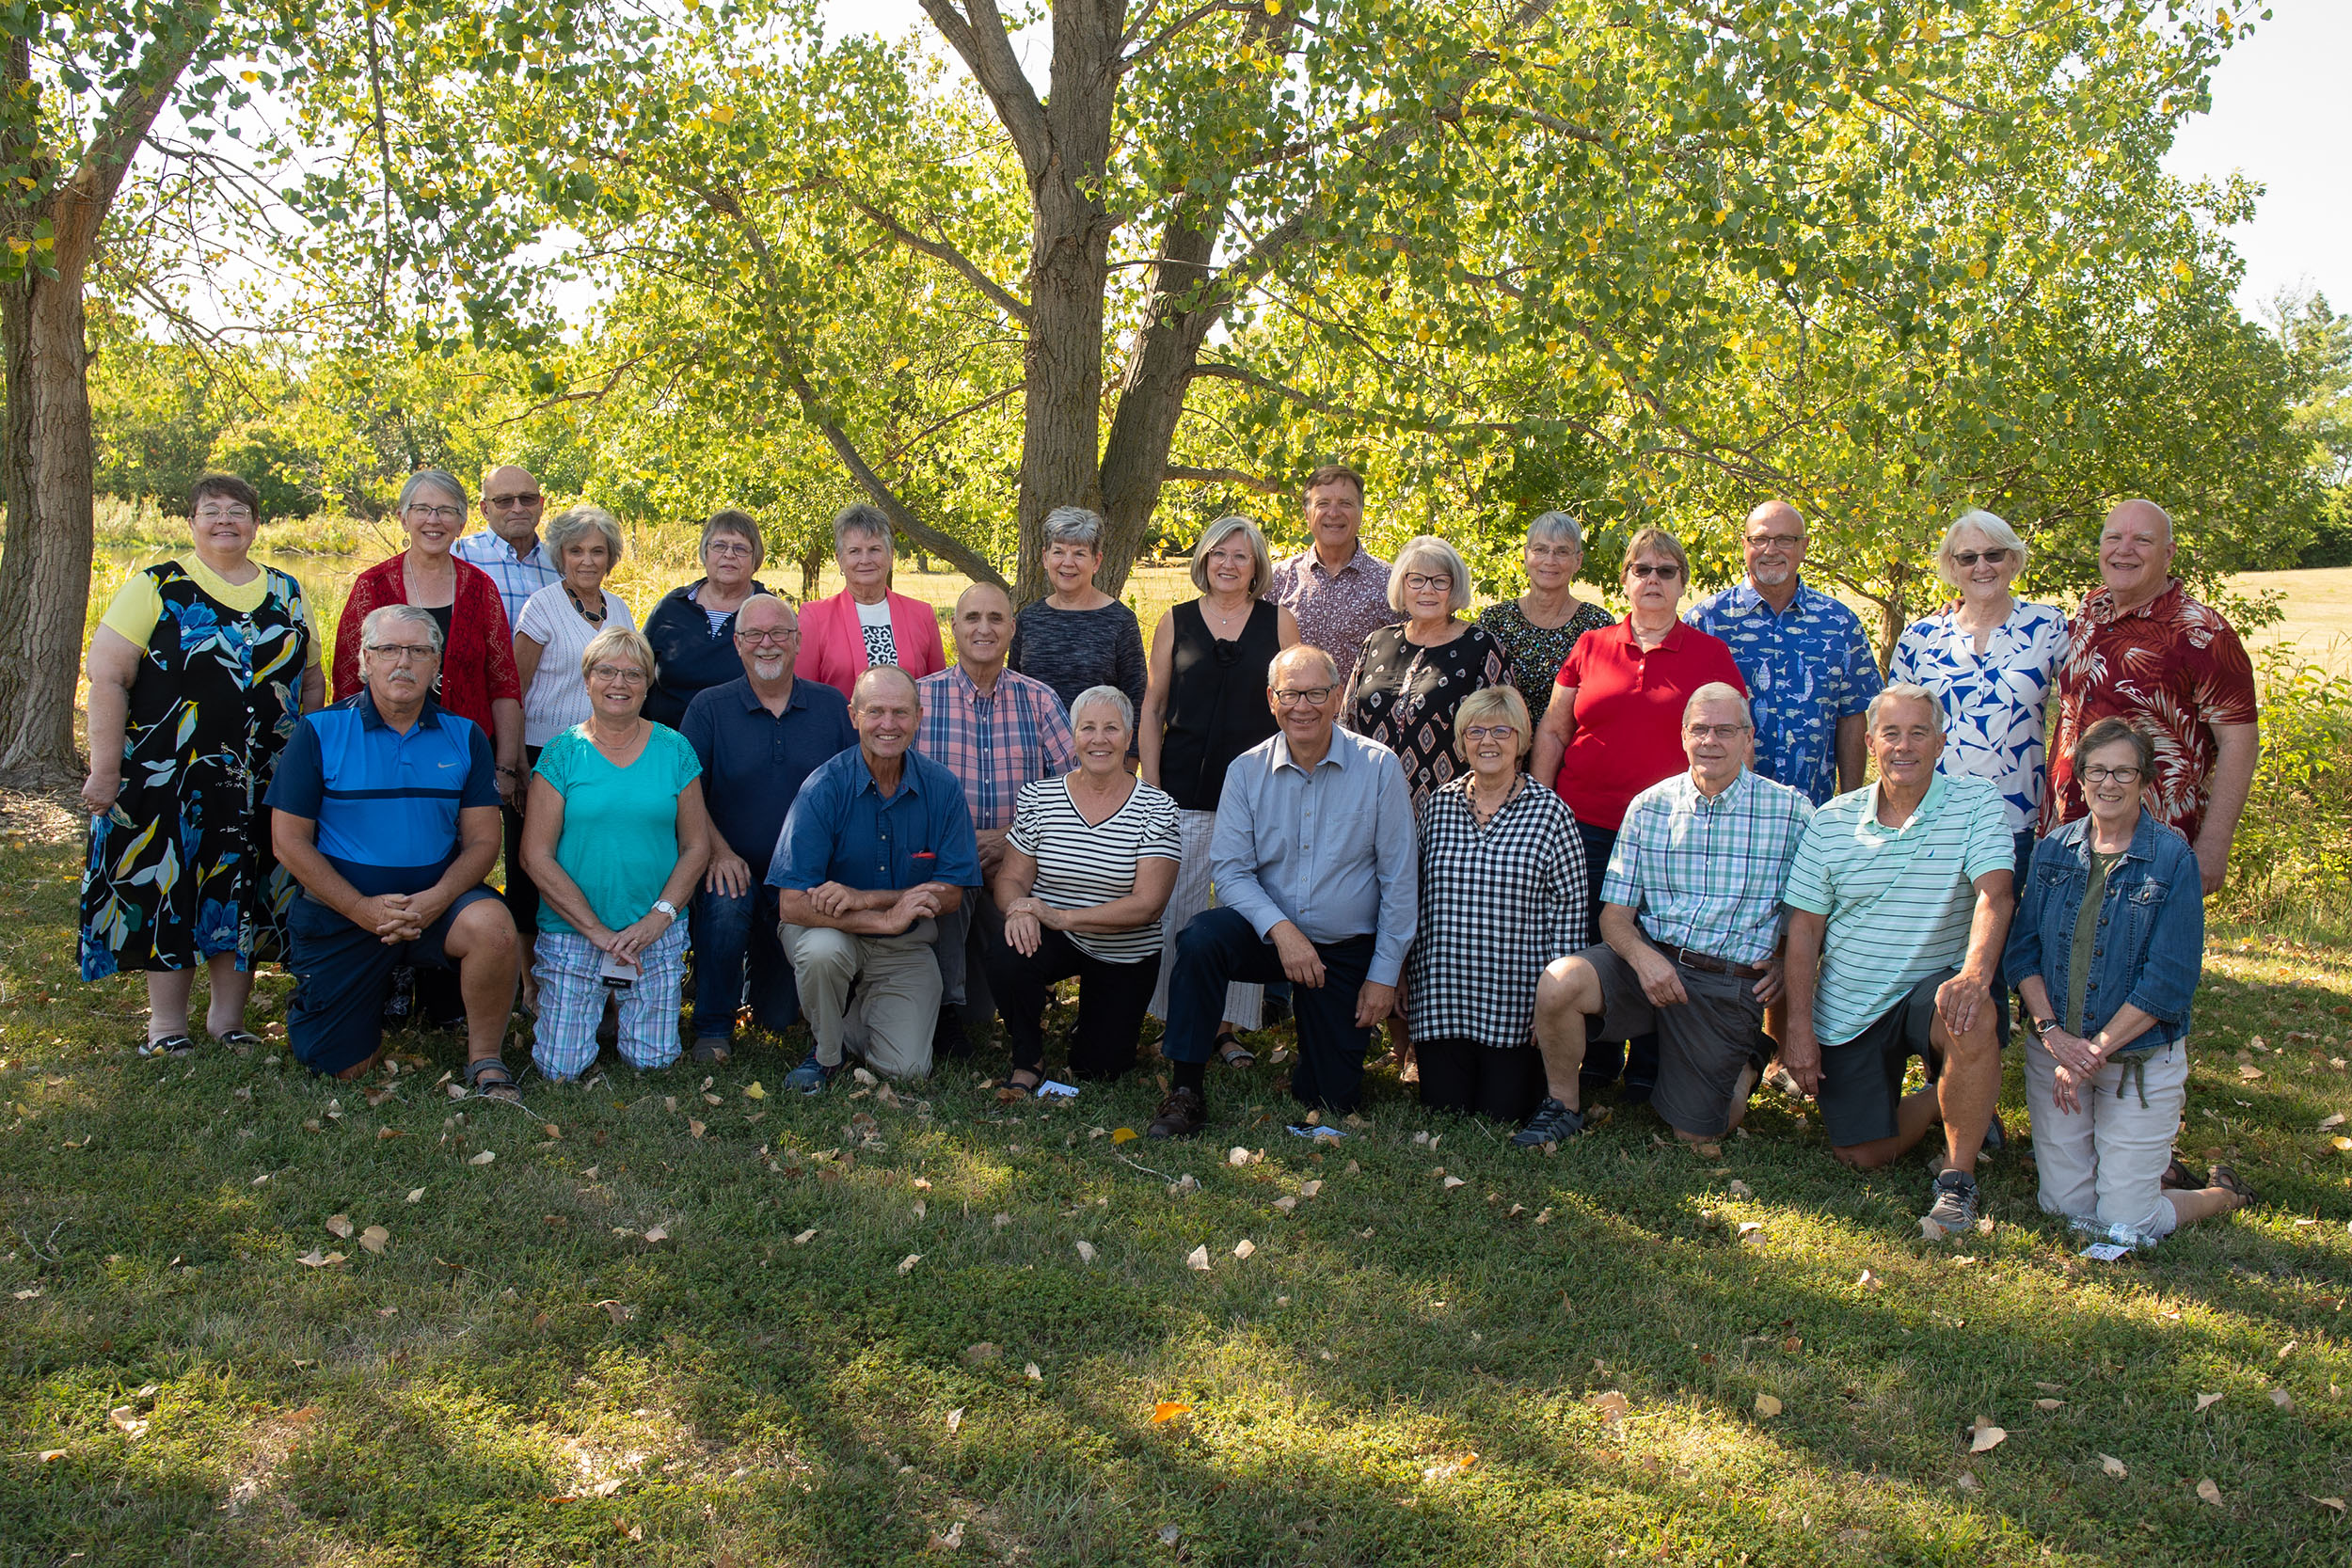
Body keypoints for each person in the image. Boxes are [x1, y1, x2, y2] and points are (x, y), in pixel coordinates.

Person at [80, 472, 325, 1053]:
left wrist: (306, 763)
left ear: (256, 522)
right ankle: (166, 1027)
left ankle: (227, 1020)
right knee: (173, 886)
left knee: (244, 887)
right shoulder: (155, 584)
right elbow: (109, 676)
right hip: (168, 774)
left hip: (263, 776)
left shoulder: (288, 589)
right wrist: (105, 768)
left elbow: (312, 680)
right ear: (190, 522)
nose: (225, 520)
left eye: (238, 510)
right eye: (210, 510)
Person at [1517, 685, 1813, 1148]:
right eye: (1699, 729)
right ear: (1683, 736)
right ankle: (1561, 1106)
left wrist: (1780, 961)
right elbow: (1615, 916)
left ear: (1748, 737)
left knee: (1696, 1133)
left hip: (1727, 980)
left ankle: (1750, 1060)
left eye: (1725, 730)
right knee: (1561, 980)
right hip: (1651, 962)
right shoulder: (1650, 806)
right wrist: (1643, 958)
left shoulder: (1792, 812)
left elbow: (1811, 912)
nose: (1710, 740)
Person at [1148, 646, 1417, 1136]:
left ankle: (1316, 1060)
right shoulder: (1246, 771)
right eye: (1291, 694)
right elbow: (1229, 871)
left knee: (1331, 1097)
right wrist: (1283, 931)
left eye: (1317, 693)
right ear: (1272, 699)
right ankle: (1185, 1089)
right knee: (1201, 939)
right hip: (1268, 938)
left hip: (1342, 948)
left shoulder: (1378, 767)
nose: (1303, 706)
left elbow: (1399, 881)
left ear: (1337, 697)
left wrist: (1382, 974)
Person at [1780, 684, 2015, 1236]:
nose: (1903, 746)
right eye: (1891, 733)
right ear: (1869, 742)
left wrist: (1975, 976)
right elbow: (1804, 929)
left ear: (1940, 741)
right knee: (1861, 1154)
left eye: (1918, 732)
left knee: (1971, 1010)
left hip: (1932, 988)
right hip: (1852, 1005)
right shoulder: (1831, 821)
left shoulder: (1975, 802)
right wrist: (1799, 1029)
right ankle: (1950, 1096)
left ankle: (1957, 1183)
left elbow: (1995, 894)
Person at [2008, 718, 2253, 1242]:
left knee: (2125, 1225)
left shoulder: (2172, 860)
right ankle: (2132, 1172)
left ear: (2145, 780)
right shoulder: (2053, 851)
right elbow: (2022, 952)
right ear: (2080, 778)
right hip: (2057, 1054)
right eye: (2096, 770)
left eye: (2123, 771)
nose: (2108, 783)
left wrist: (2091, 1052)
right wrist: (2054, 1035)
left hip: (2137, 1060)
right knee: (2065, 1211)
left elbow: (2169, 982)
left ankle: (2222, 1193)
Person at [1529, 527, 1747, 1100]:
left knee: (1662, 939)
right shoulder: (1591, 646)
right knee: (1588, 937)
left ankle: (1652, 1066)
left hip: (1672, 831)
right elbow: (1555, 729)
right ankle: (1596, 1062)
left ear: (1682, 583)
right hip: (1586, 823)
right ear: (1624, 578)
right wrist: (1540, 802)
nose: (1653, 579)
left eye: (1666, 571)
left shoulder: (1709, 653)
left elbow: (1735, 739)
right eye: (1642, 569)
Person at [266, 606, 521, 1093]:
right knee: (341, 1067)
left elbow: (486, 841)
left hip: (437, 907)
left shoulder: (465, 736)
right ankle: (336, 998)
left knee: (494, 928)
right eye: (388, 650)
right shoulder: (318, 732)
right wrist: (362, 908)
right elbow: (288, 842)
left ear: (437, 664)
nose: (402, 663)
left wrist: (436, 899)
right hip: (344, 912)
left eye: (419, 651)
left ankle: (487, 1059)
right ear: (365, 661)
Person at [771, 666, 982, 1088]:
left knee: (906, 1070)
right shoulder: (823, 788)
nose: (889, 725)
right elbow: (791, 904)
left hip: (904, 947)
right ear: (854, 716)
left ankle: (851, 1019)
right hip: (833, 933)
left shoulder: (942, 788)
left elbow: (952, 894)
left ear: (919, 717)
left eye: (901, 713)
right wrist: (884, 914)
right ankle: (825, 1055)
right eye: (876, 712)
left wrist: (865, 899)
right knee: (822, 952)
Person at [1138, 514, 1300, 1061]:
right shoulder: (1174, 621)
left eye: (1240, 555)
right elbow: (1154, 708)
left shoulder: (1280, 623)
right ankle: (1176, 1019)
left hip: (1259, 797)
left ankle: (1226, 1027)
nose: (1228, 564)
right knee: (1177, 908)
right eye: (1218, 554)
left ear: (1256, 566)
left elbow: (1294, 709)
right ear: (1203, 560)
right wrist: (1152, 788)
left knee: (1241, 910)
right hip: (1181, 790)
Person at [521, 626, 712, 1079]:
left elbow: (695, 846)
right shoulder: (561, 753)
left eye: (633, 674)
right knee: (559, 1069)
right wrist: (595, 931)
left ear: (648, 683)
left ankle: (617, 1014)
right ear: (586, 679)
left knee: (653, 1062)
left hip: (653, 931)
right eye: (606, 672)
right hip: (574, 931)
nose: (619, 684)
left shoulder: (675, 749)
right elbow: (535, 855)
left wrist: (657, 918)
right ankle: (591, 1012)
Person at [2044, 499, 2259, 895]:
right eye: (2113, 537)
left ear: (2168, 553)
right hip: (2066, 835)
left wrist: (2215, 845)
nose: (2124, 549)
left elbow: (2239, 741)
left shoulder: (2203, 633)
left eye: (2142, 540)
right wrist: (1966, 609)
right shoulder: (2092, 610)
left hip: (2151, 850)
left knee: (2138, 956)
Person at [679, 594, 855, 1063]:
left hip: (802, 878)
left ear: (798, 641)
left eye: (779, 633)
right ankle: (713, 1025)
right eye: (754, 634)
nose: (767, 644)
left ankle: (766, 979)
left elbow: (854, 789)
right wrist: (717, 852)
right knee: (725, 901)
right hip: (732, 868)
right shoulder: (709, 708)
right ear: (737, 644)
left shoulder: (831, 706)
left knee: (777, 1017)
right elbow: (687, 793)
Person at [1405, 685, 1589, 1123]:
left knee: (1502, 1113)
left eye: (1502, 731)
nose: (1488, 742)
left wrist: (1550, 1010)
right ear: (1462, 741)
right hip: (1443, 997)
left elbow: (1568, 915)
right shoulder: (1439, 807)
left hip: (1515, 1004)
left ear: (1523, 740)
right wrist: (1405, 976)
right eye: (1476, 731)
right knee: (1444, 1111)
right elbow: (1415, 898)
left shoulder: (1551, 813)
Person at [984, 687, 1182, 1088]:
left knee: (1101, 1070)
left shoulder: (1157, 808)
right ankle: (1028, 1057)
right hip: (1056, 938)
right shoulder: (1040, 797)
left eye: (1111, 728)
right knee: (1007, 951)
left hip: (1124, 951)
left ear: (1128, 738)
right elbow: (1011, 878)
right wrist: (1019, 907)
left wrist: (1061, 917)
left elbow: (1147, 906)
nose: (1099, 739)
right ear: (1073, 737)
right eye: (1087, 728)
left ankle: (1092, 1026)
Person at [915, 582, 1078, 1055]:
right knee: (950, 875)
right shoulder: (921, 701)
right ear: (953, 628)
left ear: (1011, 628)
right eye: (971, 618)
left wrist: (1013, 838)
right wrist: (965, 842)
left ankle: (1030, 998)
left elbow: (1072, 791)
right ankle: (945, 1012)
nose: (983, 629)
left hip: (1025, 860)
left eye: (994, 619)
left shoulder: (1040, 700)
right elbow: (898, 793)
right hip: (947, 860)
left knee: (989, 1002)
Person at [1889, 509, 2069, 890]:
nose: (1981, 566)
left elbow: (2086, 707)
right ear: (1952, 569)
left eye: (1994, 555)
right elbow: (1891, 732)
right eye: (1968, 558)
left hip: (2017, 819)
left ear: (2014, 560)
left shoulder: (2049, 628)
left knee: (2006, 942)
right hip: (1934, 820)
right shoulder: (1920, 639)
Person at [333, 470, 525, 803]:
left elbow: (504, 684)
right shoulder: (373, 586)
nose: (433, 520)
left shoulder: (480, 589)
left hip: (464, 758)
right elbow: (348, 680)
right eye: (422, 509)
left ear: (462, 522)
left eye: (446, 510)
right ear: (403, 518)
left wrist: (505, 767)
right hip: (382, 757)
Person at [508, 503, 636, 994]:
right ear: (560, 554)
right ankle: (530, 984)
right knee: (532, 865)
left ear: (610, 557)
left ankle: (591, 973)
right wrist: (517, 763)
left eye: (597, 551)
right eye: (576, 550)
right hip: (544, 753)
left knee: (587, 861)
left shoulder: (619, 609)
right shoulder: (541, 606)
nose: (587, 560)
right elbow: (514, 689)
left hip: (605, 753)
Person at [1685, 499, 1881, 806]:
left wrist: (1852, 802)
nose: (1770, 550)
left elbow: (1853, 716)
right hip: (1725, 812)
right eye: (1759, 539)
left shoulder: (1839, 623)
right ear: (1744, 545)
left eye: (1784, 540)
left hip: (1813, 809)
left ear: (1803, 547)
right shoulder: (1706, 621)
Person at [1342, 533, 1515, 807]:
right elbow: (1345, 724)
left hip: (1450, 812)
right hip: (1368, 803)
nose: (1427, 590)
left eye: (1440, 581)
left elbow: (1506, 736)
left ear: (1454, 588)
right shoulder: (1377, 642)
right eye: (1417, 579)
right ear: (1402, 584)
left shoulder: (1481, 647)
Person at [1475, 511, 1615, 729]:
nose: (1550, 560)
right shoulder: (1494, 621)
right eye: (1540, 550)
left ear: (1578, 561)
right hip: (1505, 753)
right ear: (1526, 555)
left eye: (1562, 552)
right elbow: (1479, 701)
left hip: (1573, 754)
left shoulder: (1597, 625)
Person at [1263, 464, 1396, 691]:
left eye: (1345, 503)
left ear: (1361, 512)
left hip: (1361, 722)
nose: (1334, 513)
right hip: (1293, 718)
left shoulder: (1392, 583)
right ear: (1306, 514)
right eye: (1322, 504)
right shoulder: (1277, 580)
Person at [798, 502, 948, 699]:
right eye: (854, 551)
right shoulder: (814, 617)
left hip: (911, 730)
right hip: (841, 729)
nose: (865, 559)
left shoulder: (922, 614)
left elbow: (937, 692)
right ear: (839, 559)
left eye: (874, 549)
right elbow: (803, 694)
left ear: (891, 555)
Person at [1009, 505, 1147, 721]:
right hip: (1033, 750)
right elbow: (1013, 692)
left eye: (1079, 553)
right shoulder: (1028, 619)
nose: (1068, 562)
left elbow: (1136, 698)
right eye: (1059, 551)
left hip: (1098, 748)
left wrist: (1130, 754)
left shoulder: (1120, 621)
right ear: (1045, 558)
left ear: (1096, 561)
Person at [643, 510, 775, 728]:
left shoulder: (770, 612)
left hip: (740, 742)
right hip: (668, 742)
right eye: (720, 545)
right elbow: (640, 669)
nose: (729, 555)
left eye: (740, 548)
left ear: (755, 559)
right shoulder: (672, 607)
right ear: (705, 552)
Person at [453, 463, 560, 632]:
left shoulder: (560, 563)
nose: (518, 509)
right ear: (485, 510)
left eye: (527, 499)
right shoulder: (460, 556)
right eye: (504, 501)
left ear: (541, 505)